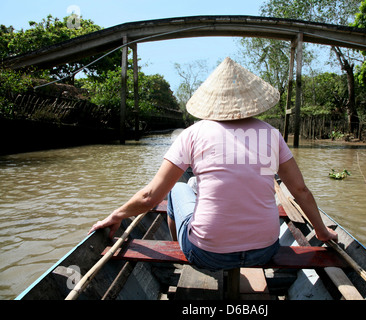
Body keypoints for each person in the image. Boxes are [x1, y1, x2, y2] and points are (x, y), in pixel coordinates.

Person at [88, 57, 337, 271]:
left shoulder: (193, 133)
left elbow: (151, 197)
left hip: (206, 254)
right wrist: (322, 232)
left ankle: (179, 249)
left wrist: (117, 214)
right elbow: (300, 190)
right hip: (265, 250)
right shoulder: (270, 134)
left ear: (212, 102)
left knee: (176, 189)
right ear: (252, 101)